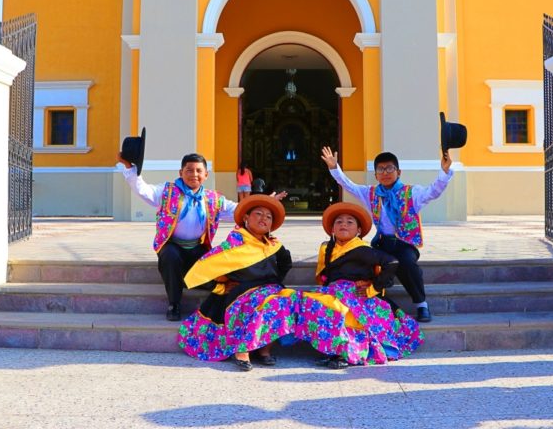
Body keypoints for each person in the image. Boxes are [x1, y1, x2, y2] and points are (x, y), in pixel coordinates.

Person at [118, 149, 286, 322]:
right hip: (172, 245)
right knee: (170, 257)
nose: (194, 174)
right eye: (189, 170)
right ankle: (174, 303)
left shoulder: (213, 199)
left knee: (220, 267)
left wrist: (264, 202)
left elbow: (239, 209)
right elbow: (143, 190)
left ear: (206, 174)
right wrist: (130, 168)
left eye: (199, 171)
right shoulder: (167, 191)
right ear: (181, 173)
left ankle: (199, 286)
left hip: (198, 246)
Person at [321, 146, 453, 323]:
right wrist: (334, 168)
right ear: (376, 174)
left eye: (389, 168)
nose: (385, 173)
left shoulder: (411, 192)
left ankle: (421, 304)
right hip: (382, 242)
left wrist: (444, 173)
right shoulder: (371, 193)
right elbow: (348, 185)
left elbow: (433, 191)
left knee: (407, 262)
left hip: (404, 242)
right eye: (381, 169)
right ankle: (373, 297)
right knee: (368, 259)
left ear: (398, 172)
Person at [178, 195, 298, 371]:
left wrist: (274, 281)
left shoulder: (274, 245)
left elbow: (286, 263)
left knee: (286, 300)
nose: (264, 218)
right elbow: (203, 268)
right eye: (258, 213)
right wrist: (220, 286)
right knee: (257, 304)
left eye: (269, 216)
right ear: (245, 218)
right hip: (243, 291)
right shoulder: (233, 244)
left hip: (270, 288)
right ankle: (242, 350)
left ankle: (265, 350)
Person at [295, 202, 423, 368]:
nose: (343, 224)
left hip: (356, 294)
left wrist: (373, 287)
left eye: (350, 222)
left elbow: (391, 262)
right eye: (339, 222)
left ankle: (344, 352)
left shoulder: (362, 249)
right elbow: (324, 275)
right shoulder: (327, 248)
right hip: (333, 291)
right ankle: (330, 349)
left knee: (344, 309)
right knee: (310, 302)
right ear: (332, 229)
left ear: (359, 231)